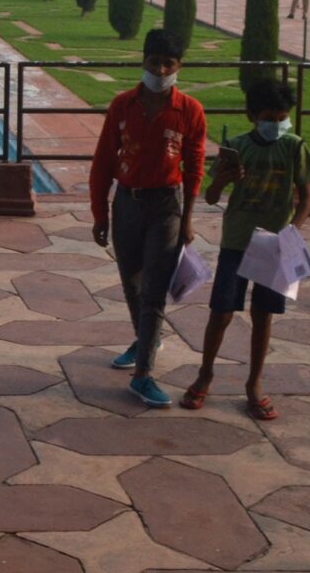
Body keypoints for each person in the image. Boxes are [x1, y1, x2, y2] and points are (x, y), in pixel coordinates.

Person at [183, 78, 310, 420]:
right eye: (269, 117)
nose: (276, 123)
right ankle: (205, 374)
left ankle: (254, 383)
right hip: (237, 239)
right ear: (252, 115)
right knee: (222, 312)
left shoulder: (294, 146)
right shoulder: (236, 147)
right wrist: (224, 179)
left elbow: (308, 198)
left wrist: (292, 233)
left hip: (275, 243)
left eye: (282, 116)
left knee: (263, 315)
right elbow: (212, 197)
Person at [88, 28, 208, 408]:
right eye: (154, 62)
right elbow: (103, 162)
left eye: (168, 63)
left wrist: (188, 218)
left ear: (179, 66)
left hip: (166, 207)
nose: (160, 69)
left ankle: (143, 374)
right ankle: (145, 339)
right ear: (143, 61)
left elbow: (194, 168)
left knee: (155, 290)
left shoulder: (189, 111)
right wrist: (99, 213)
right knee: (132, 283)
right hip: (127, 202)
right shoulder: (123, 105)